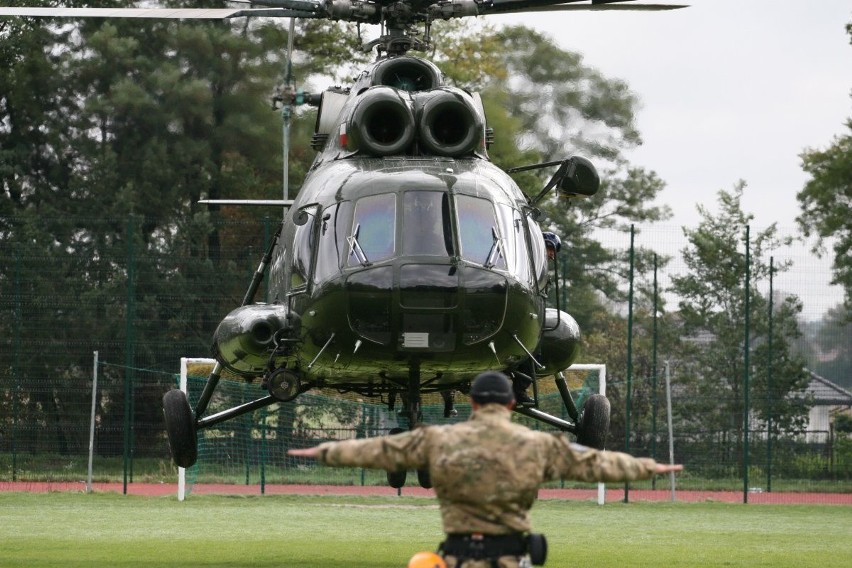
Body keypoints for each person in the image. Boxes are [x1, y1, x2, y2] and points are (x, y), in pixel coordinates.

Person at [288, 371, 683, 568]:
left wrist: (320, 452)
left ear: (473, 403)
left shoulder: (438, 441)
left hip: (456, 556)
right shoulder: (539, 445)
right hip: (512, 556)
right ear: (512, 404)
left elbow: (375, 451)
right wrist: (653, 467)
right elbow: (601, 464)